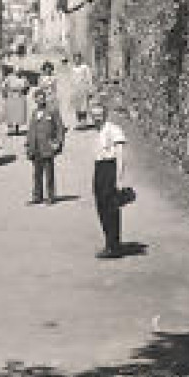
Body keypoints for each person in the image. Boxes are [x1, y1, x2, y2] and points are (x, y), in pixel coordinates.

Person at [93, 104, 129, 258]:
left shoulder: (114, 129)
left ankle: (114, 246)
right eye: (94, 115)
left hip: (110, 168)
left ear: (105, 114)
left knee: (111, 209)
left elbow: (120, 156)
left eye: (99, 115)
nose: (96, 118)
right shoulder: (99, 131)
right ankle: (109, 242)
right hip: (100, 168)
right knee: (101, 207)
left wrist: (119, 178)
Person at [24, 89, 65, 206]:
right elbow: (31, 130)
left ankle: (51, 197)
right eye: (38, 98)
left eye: (42, 97)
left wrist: (57, 142)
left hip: (47, 147)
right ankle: (37, 196)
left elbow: (60, 128)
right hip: (35, 148)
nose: (40, 100)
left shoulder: (52, 111)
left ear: (45, 98)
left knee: (49, 173)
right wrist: (28, 145)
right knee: (37, 174)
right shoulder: (34, 112)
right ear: (35, 100)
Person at [68, 53, 95, 128]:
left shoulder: (85, 67)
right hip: (75, 89)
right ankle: (79, 122)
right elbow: (71, 79)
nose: (77, 60)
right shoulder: (72, 68)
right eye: (75, 59)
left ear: (80, 59)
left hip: (83, 88)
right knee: (77, 106)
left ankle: (84, 122)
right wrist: (71, 90)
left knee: (84, 106)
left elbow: (89, 78)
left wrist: (90, 89)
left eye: (78, 58)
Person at [2, 64, 29, 136]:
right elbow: (4, 85)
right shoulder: (9, 78)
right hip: (11, 96)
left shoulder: (23, 78)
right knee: (10, 112)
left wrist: (24, 91)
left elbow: (27, 87)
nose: (18, 73)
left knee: (18, 113)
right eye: (16, 71)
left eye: (19, 71)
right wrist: (5, 92)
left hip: (20, 97)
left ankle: (17, 128)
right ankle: (10, 128)